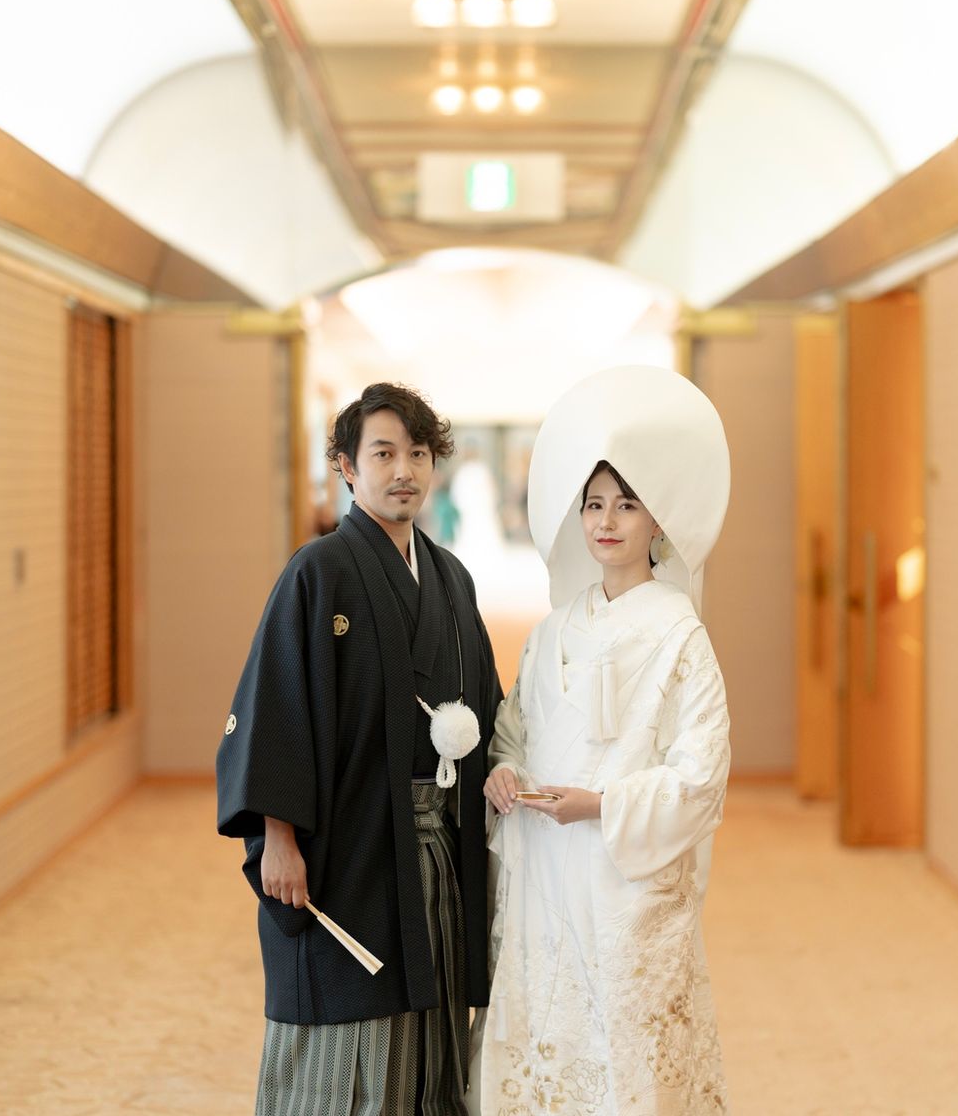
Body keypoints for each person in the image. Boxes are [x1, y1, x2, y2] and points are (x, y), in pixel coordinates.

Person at [217, 382, 503, 1116]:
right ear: (347, 467)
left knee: (430, 1031)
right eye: (383, 454)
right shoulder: (317, 572)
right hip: (352, 844)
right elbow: (277, 706)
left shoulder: (452, 579)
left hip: (436, 848)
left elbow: (485, 706)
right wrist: (278, 836)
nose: (403, 470)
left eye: (418, 453)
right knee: (353, 1026)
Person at [478, 366, 733, 1115]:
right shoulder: (552, 630)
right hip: (548, 876)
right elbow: (514, 730)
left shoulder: (680, 634)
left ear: (658, 522)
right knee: (549, 1045)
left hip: (628, 882)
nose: (607, 521)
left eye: (627, 504)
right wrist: (504, 769)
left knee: (630, 1059)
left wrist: (600, 804)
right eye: (593, 503)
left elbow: (701, 775)